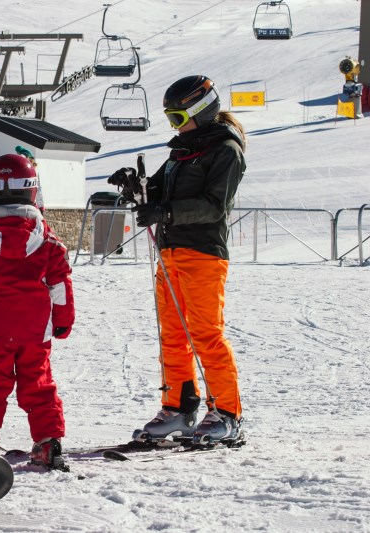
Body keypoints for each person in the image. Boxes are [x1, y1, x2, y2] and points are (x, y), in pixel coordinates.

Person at [108, 75, 246, 445]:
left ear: (202, 111)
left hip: (202, 252)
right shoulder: (181, 151)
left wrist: (166, 213)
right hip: (170, 252)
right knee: (172, 336)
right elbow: (157, 189)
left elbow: (214, 205)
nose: (175, 127)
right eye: (171, 120)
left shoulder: (225, 151)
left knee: (205, 334)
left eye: (179, 119)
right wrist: (136, 186)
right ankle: (178, 408)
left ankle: (227, 413)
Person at [0, 153, 75, 470]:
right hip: (37, 328)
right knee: (37, 382)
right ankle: (48, 442)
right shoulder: (47, 239)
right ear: (31, 189)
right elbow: (60, 285)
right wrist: (63, 321)